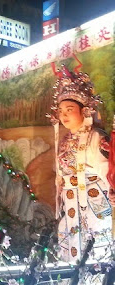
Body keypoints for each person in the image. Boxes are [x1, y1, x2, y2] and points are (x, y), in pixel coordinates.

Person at [47, 65, 113, 263]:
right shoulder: (65, 141)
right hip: (71, 202)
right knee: (70, 246)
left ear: (84, 111)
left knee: (97, 249)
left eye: (69, 110)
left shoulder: (95, 137)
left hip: (94, 201)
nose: (64, 115)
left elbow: (107, 172)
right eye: (60, 111)